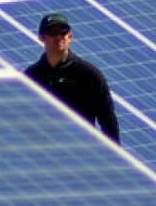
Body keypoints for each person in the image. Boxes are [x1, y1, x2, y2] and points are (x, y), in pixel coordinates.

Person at [24, 12, 120, 144]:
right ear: (42, 38)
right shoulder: (31, 76)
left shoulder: (89, 75)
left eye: (62, 32)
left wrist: (113, 157)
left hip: (80, 150)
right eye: (52, 32)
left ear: (70, 37)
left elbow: (107, 120)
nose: (58, 37)